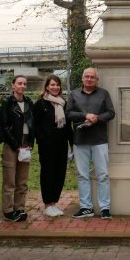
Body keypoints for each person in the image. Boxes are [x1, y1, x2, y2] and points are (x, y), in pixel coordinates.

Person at [67, 67, 116, 220]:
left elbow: (111, 113)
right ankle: (86, 207)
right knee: (82, 175)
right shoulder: (74, 94)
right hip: (80, 140)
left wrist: (97, 118)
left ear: (97, 80)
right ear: (82, 78)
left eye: (92, 77)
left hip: (99, 140)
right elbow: (68, 114)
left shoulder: (104, 94)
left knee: (103, 175)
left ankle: (105, 208)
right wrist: (84, 115)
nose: (89, 79)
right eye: (87, 76)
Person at [32, 74, 73, 217]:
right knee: (48, 173)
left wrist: (71, 144)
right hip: (46, 145)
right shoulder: (40, 103)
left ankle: (54, 203)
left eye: (57, 85)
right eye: (52, 85)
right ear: (47, 87)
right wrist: (42, 139)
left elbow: (68, 126)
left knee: (59, 173)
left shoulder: (63, 103)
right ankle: (47, 203)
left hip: (61, 143)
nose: (55, 87)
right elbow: (34, 125)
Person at [0, 75, 34, 222]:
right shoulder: (7, 103)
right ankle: (8, 210)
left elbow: (33, 124)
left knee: (22, 180)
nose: (22, 86)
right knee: (9, 180)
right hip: (12, 146)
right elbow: (4, 125)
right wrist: (14, 144)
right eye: (19, 83)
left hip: (26, 145)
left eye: (24, 84)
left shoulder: (29, 102)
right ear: (13, 85)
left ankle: (19, 208)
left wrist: (31, 142)